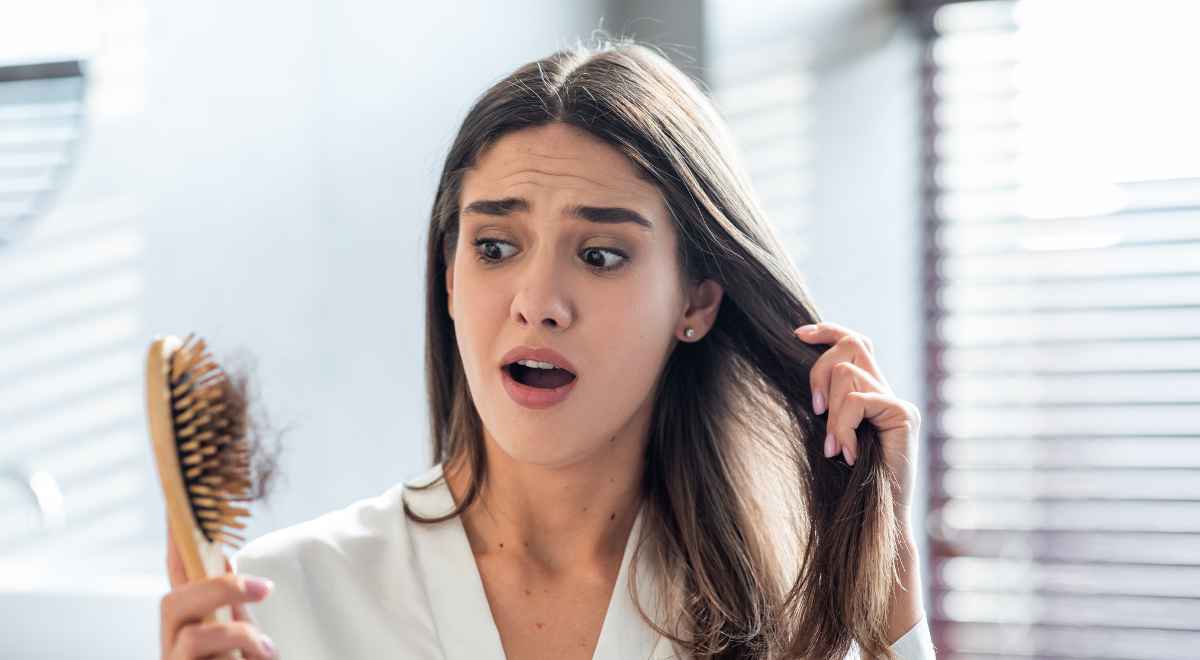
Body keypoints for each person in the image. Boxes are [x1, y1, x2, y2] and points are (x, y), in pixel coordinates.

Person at [159, 35, 936, 660]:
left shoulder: (788, 614)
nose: (537, 303)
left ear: (697, 301)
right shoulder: (280, 603)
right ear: (450, 278)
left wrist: (886, 589)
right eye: (495, 247)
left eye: (599, 255)